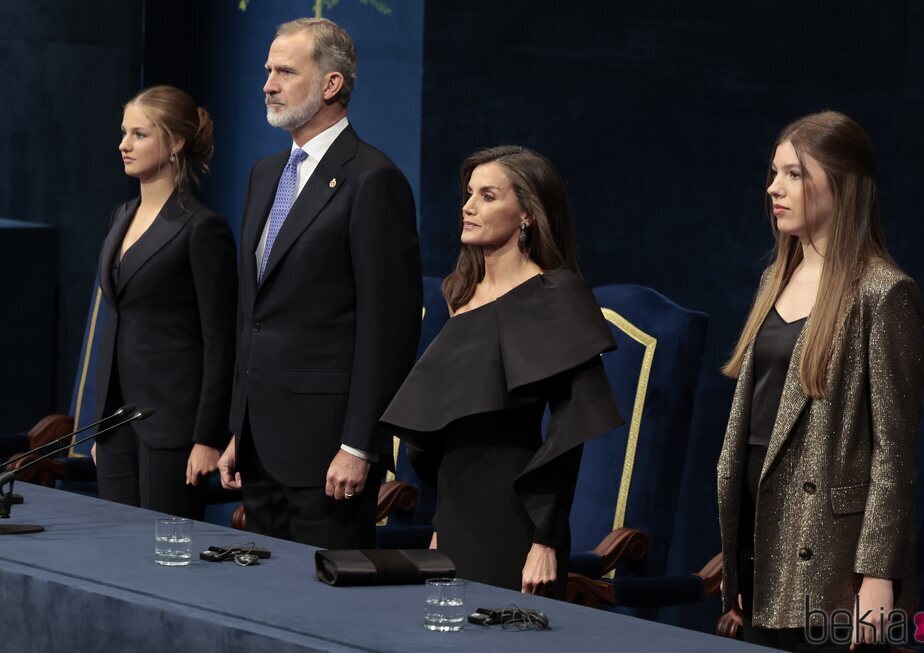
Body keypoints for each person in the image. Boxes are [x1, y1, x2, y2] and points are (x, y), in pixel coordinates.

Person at [716, 111, 924, 652]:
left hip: (828, 549)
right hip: (759, 516)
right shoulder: (775, 276)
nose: (773, 188)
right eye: (774, 172)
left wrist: (878, 577)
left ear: (842, 183)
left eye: (793, 174)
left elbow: (895, 451)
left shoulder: (883, 292)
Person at [380, 146, 622, 597]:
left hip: (515, 517)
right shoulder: (460, 294)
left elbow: (572, 427)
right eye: (469, 194)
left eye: (488, 196)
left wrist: (545, 539)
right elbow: (447, 422)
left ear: (527, 213)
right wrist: (439, 522)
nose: (468, 207)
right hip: (455, 514)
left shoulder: (556, 293)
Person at [218, 18, 421, 548]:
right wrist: (240, 427)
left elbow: (388, 330)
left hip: (328, 451)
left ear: (332, 84)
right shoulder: (264, 173)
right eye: (268, 70)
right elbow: (254, 315)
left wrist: (360, 445)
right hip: (260, 442)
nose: (268, 83)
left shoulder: (373, 179)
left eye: (285, 71)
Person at [93, 85, 237, 520]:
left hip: (174, 427)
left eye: (139, 134)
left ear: (175, 142)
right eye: (123, 133)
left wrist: (208, 437)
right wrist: (99, 423)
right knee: (117, 556)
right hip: (116, 422)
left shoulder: (202, 228)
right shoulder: (121, 215)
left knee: (164, 558)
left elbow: (220, 339)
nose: (124, 144)